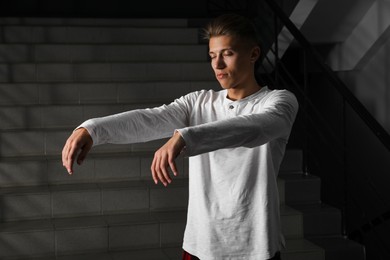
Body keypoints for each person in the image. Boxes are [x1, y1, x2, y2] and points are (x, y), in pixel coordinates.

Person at [62, 13, 298, 260]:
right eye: (212, 56)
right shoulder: (198, 102)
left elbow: (254, 128)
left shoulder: (280, 101)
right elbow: (149, 119)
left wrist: (184, 137)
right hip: (201, 244)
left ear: (253, 54)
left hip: (255, 247)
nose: (217, 65)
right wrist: (92, 129)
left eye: (227, 54)